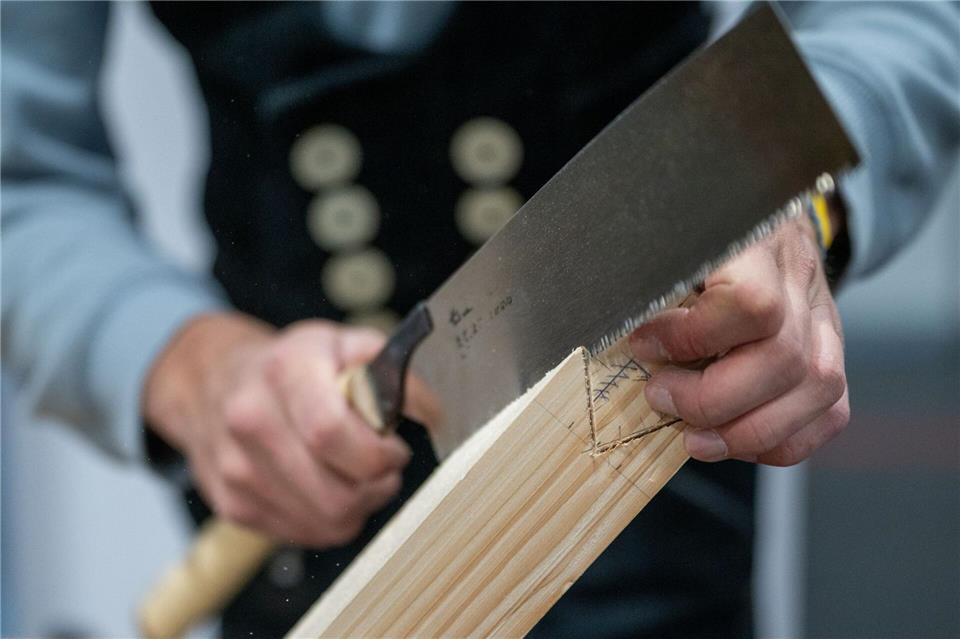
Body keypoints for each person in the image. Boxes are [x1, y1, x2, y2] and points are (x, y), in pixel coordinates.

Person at [3, 2, 957, 637]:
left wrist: (791, 193)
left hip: (653, 495)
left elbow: (899, 18)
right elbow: (23, 178)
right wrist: (190, 367)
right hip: (300, 525)